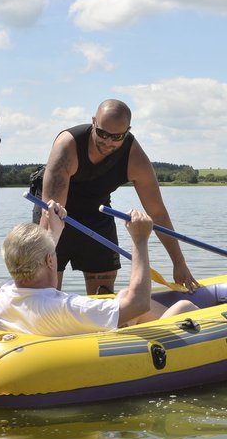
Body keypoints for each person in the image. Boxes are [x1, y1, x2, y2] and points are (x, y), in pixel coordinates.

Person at [36, 99, 198, 294]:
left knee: (103, 293)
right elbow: (50, 212)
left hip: (97, 213)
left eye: (117, 136)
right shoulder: (68, 146)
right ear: (94, 122)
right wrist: (42, 260)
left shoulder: (134, 157)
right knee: (48, 289)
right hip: (56, 213)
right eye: (102, 133)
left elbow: (157, 212)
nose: (108, 142)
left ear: (128, 131)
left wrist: (178, 263)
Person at [0, 201, 197, 336]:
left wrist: (54, 231)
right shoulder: (66, 307)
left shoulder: (5, 293)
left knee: (125, 293)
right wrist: (140, 240)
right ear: (49, 261)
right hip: (105, 357)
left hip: (61, 340)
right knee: (184, 308)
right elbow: (139, 303)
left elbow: (42, 256)